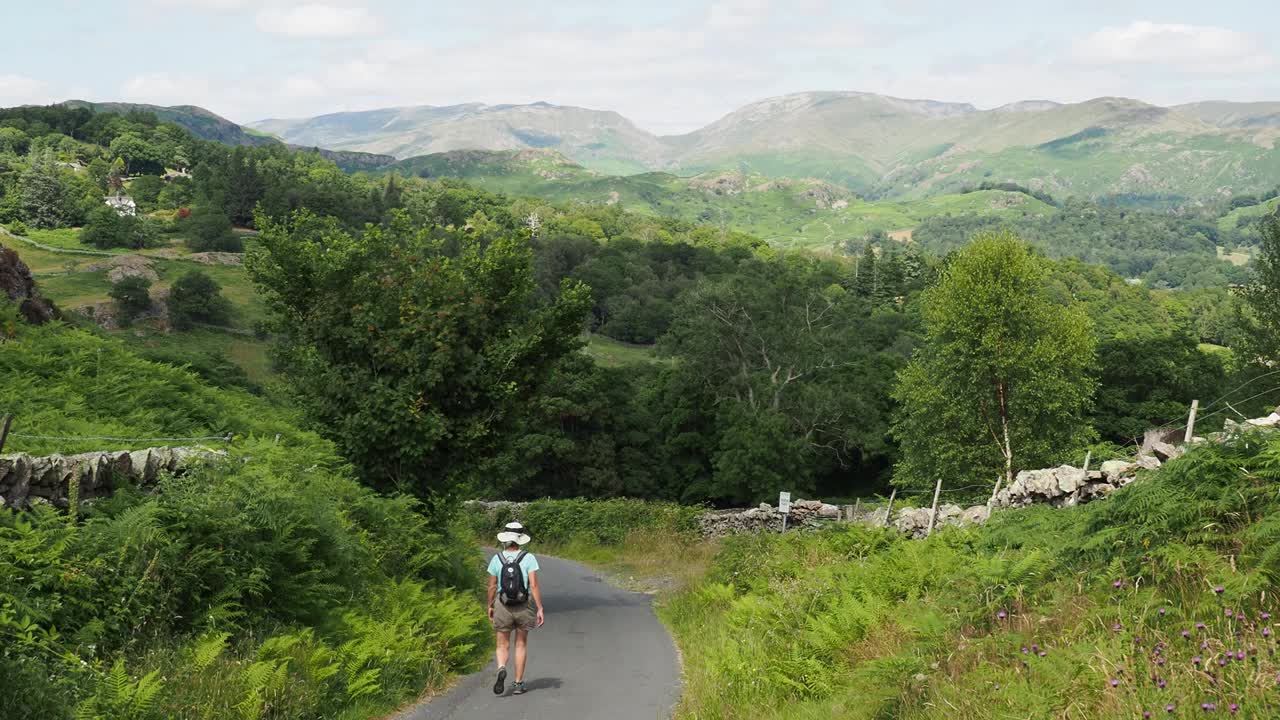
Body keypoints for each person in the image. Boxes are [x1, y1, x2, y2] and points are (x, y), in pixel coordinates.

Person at [487, 521, 545, 696]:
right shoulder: (528, 558)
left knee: (502, 644)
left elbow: (491, 586)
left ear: (505, 538)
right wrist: (540, 608)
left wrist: (490, 605)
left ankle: (502, 667)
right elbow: (533, 585)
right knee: (520, 644)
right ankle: (518, 683)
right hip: (524, 605)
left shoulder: (496, 559)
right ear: (520, 539)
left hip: (502, 604)